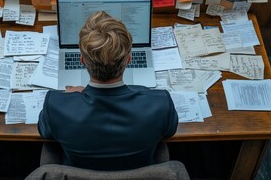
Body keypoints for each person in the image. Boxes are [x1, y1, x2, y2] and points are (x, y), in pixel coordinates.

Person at [37, 11, 178, 171]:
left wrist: (67, 99)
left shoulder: (55, 105)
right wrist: (141, 91)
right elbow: (170, 131)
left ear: (82, 60)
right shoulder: (160, 103)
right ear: (128, 60)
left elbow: (45, 132)